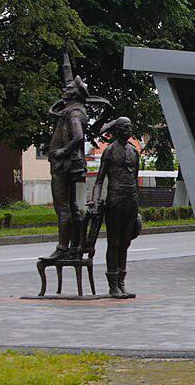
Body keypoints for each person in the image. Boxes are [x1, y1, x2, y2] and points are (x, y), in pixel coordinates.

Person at [89, 117, 141, 298]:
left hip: (131, 201)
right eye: (125, 127)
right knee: (114, 242)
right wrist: (95, 199)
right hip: (115, 200)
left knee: (126, 242)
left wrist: (137, 206)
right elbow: (99, 180)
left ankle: (121, 283)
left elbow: (135, 180)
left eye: (130, 127)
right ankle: (113, 286)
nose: (129, 130)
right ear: (117, 130)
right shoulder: (109, 151)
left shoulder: (135, 152)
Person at [43, 76, 90, 260]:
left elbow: (78, 137)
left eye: (68, 88)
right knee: (71, 206)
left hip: (63, 166)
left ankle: (63, 249)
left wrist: (62, 151)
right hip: (65, 165)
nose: (65, 88)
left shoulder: (74, 113)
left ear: (75, 93)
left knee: (62, 208)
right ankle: (77, 245)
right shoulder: (71, 110)